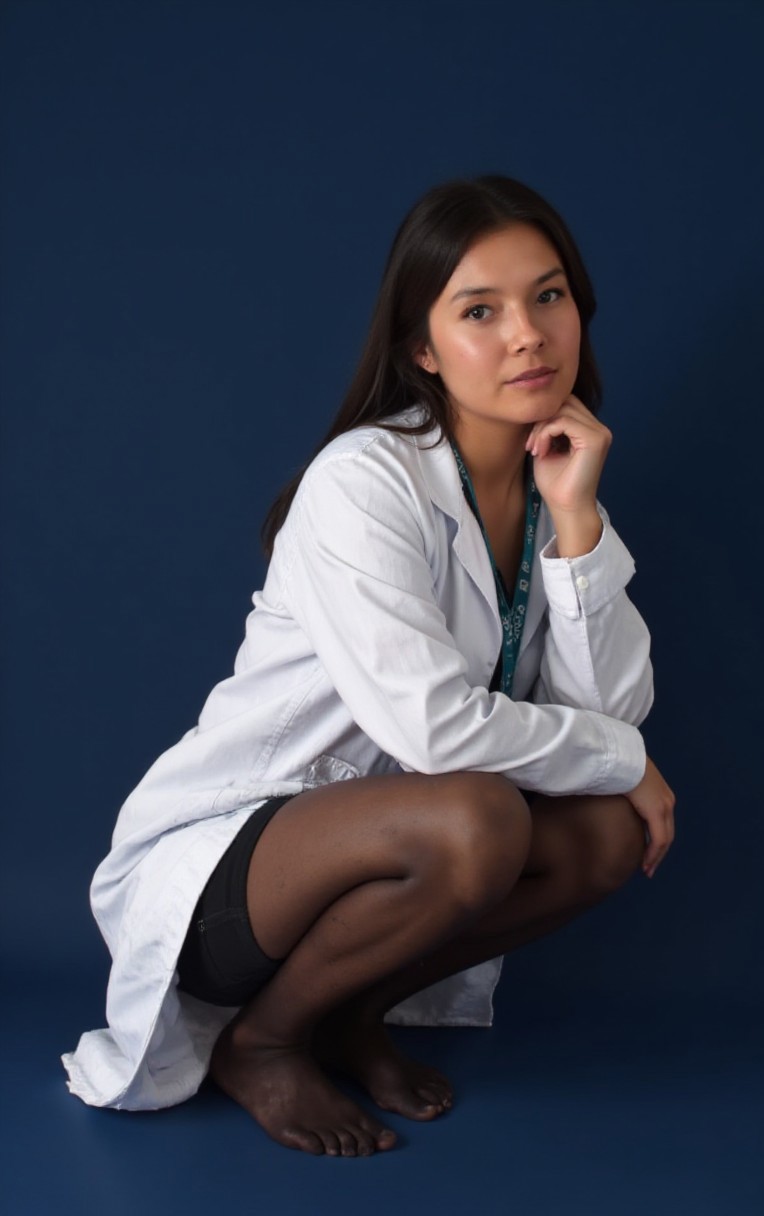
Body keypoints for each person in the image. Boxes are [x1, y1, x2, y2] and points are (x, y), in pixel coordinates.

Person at [63, 174, 675, 1158]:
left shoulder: (554, 485)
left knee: (606, 831)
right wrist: (620, 757)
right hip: (230, 879)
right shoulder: (363, 480)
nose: (527, 335)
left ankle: (349, 1015)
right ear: (421, 348)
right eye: (480, 310)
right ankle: (263, 1043)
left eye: (548, 296)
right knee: (481, 815)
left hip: (389, 858)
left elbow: (610, 714)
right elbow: (435, 731)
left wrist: (575, 521)